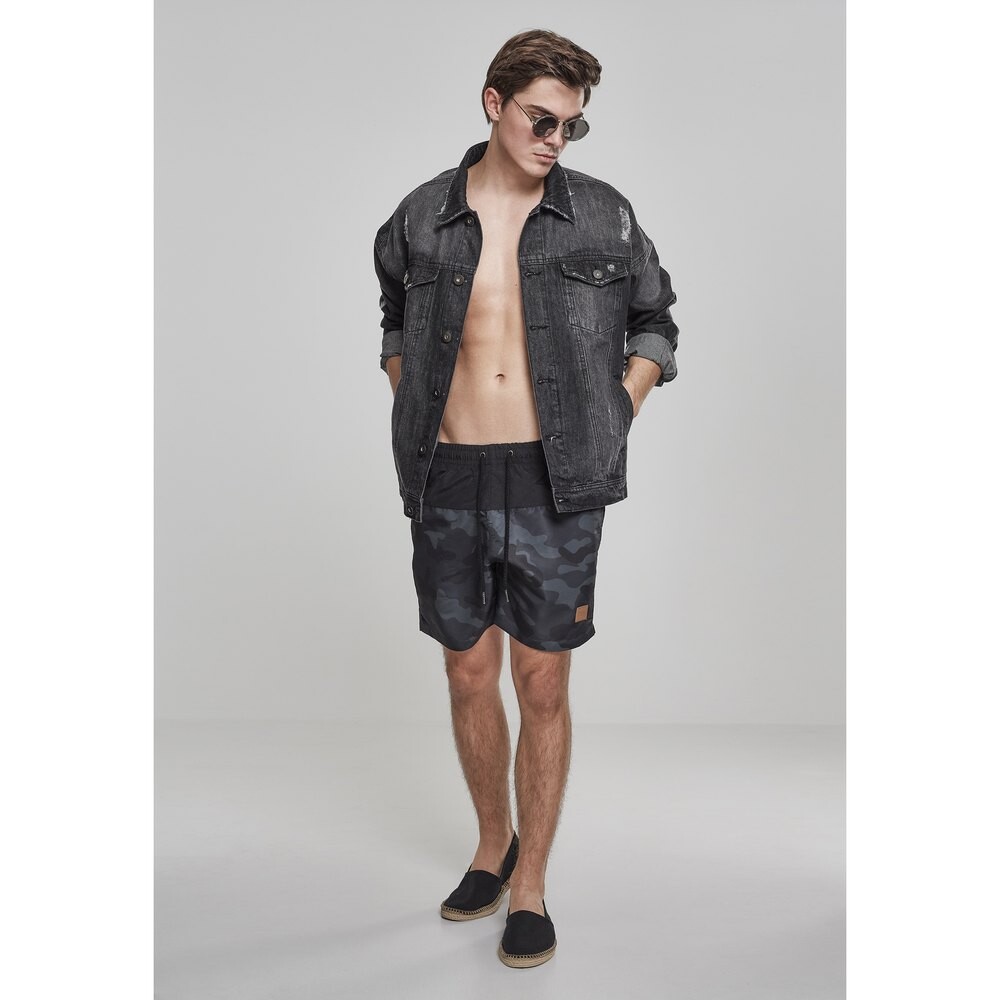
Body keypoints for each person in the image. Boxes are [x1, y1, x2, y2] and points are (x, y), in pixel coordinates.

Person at [372, 28, 680, 969]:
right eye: (542, 119)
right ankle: (491, 848)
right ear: (493, 103)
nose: (555, 139)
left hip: (557, 477)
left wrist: (615, 412)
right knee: (468, 673)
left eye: (571, 126)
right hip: (452, 473)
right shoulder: (421, 217)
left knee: (542, 680)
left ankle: (533, 885)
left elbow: (656, 321)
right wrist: (414, 401)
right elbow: (395, 320)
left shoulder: (603, 215)